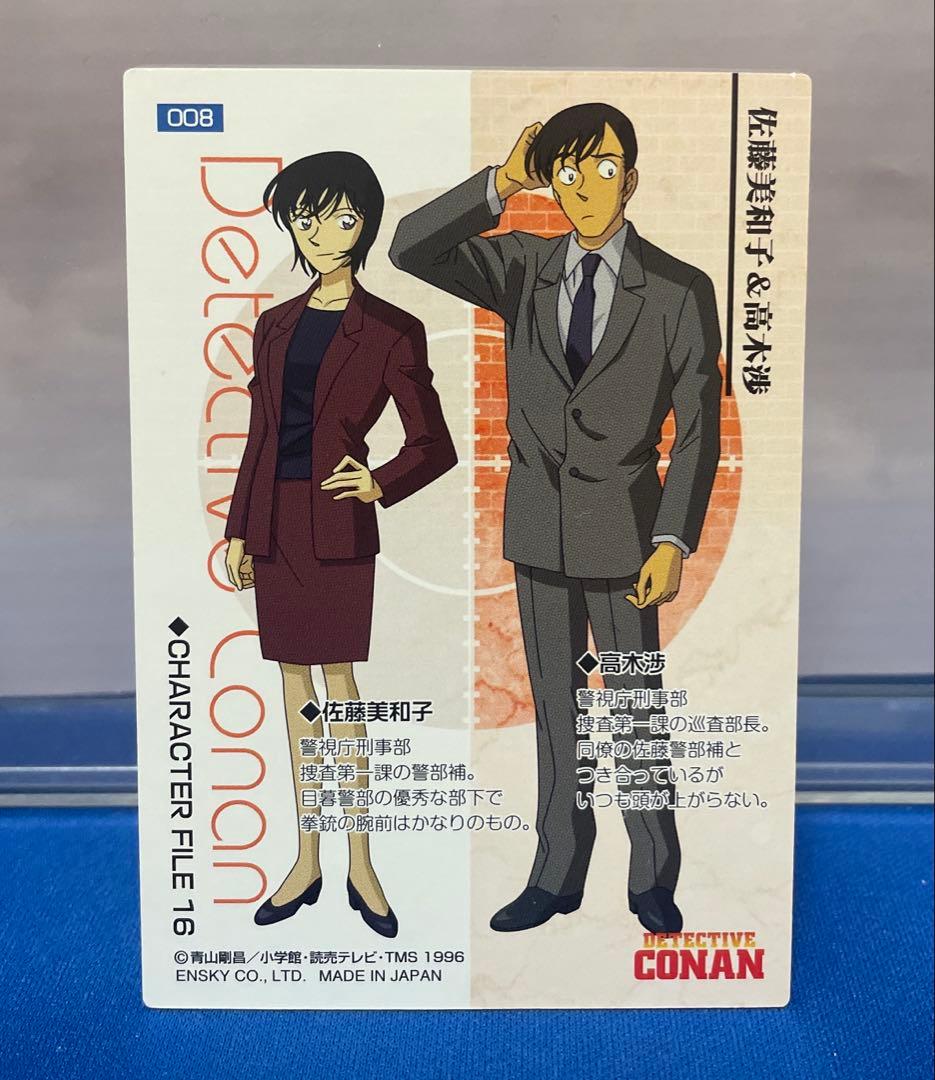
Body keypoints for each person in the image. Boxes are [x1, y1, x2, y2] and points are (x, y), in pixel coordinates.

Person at [390, 103, 721, 934]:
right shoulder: (522, 267)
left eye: (601, 169)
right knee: (555, 706)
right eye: (566, 171)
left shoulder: (678, 289)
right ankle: (556, 871)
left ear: (630, 178)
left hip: (628, 533)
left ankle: (651, 877)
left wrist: (672, 538)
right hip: (539, 526)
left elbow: (698, 430)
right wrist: (503, 181)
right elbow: (409, 248)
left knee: (634, 706)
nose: (583, 188)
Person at [224, 151, 457, 938]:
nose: (325, 235)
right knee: (294, 690)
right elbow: (260, 433)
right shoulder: (273, 325)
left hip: (335, 524)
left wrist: (378, 482)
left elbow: (433, 443)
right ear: (291, 224)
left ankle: (361, 862)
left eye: (344, 218)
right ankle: (306, 859)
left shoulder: (391, 329)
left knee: (340, 689)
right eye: (309, 219)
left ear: (366, 225)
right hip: (274, 523)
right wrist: (238, 529)